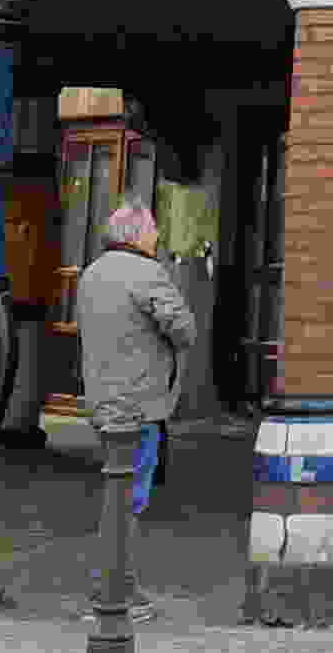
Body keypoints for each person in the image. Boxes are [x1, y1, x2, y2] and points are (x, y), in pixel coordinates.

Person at [74, 204, 197, 618]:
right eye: (153, 231)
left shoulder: (92, 273)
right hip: (139, 407)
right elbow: (184, 329)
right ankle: (114, 595)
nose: (157, 238)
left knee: (115, 495)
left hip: (104, 403)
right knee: (129, 501)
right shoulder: (146, 273)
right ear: (136, 234)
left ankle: (112, 589)